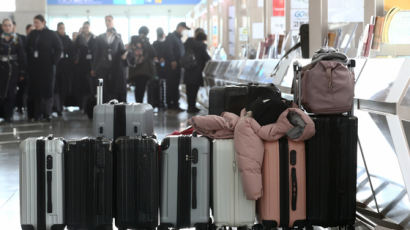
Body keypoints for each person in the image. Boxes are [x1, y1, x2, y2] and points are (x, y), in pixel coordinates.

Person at [26, 14, 63, 121]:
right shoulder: (32, 34)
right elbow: (27, 47)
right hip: (35, 67)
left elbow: (59, 48)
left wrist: (53, 61)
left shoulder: (51, 34)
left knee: (47, 90)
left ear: (43, 22)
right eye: (34, 22)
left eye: (37, 22)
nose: (35, 25)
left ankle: (47, 114)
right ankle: (36, 114)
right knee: (36, 90)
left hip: (48, 67)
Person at [91, 15, 126, 103]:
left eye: (109, 20)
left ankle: (114, 104)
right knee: (104, 87)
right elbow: (97, 53)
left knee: (114, 86)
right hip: (103, 65)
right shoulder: (100, 37)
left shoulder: (118, 36)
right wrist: (94, 68)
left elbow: (122, 50)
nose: (108, 22)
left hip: (115, 66)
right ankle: (104, 105)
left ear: (113, 22)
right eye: (106, 20)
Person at [0, 18, 26, 122]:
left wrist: (22, 71)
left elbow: (22, 56)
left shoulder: (17, 39)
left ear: (12, 26)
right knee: (1, 92)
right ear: (2, 27)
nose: (7, 27)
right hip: (1, 70)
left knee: (11, 93)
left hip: (13, 70)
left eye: (9, 25)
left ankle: (8, 116)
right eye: (5, 25)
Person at [164, 22, 190, 111]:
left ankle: (175, 103)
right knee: (171, 84)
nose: (185, 31)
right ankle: (171, 104)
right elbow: (169, 49)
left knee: (175, 85)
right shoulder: (171, 37)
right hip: (173, 66)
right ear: (179, 28)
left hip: (178, 65)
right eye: (184, 29)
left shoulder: (178, 38)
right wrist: (172, 60)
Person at [183, 28, 210, 113]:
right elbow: (207, 58)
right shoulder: (202, 46)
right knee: (194, 90)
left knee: (189, 90)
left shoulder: (188, 43)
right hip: (196, 71)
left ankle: (190, 107)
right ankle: (192, 107)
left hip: (188, 69)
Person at [128, 26, 156, 103]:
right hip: (144, 70)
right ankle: (140, 104)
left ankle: (138, 104)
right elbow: (153, 53)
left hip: (134, 70)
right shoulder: (145, 42)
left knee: (138, 89)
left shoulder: (133, 41)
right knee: (141, 89)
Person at [54, 22, 75, 116]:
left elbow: (72, 51)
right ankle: (57, 107)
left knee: (63, 88)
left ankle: (60, 106)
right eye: (61, 28)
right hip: (56, 66)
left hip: (65, 67)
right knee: (56, 88)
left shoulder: (67, 39)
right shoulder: (54, 37)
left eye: (63, 28)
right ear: (58, 29)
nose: (62, 30)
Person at [74, 21, 96, 110]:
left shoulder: (94, 38)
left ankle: (90, 106)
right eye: (84, 27)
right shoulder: (79, 38)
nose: (85, 29)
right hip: (81, 66)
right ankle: (81, 106)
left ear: (89, 28)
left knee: (91, 88)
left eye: (87, 27)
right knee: (81, 87)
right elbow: (75, 49)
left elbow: (96, 52)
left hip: (91, 66)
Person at [12, 20, 28, 114]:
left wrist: (23, 70)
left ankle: (20, 106)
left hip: (19, 67)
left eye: (12, 26)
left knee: (21, 89)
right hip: (9, 69)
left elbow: (23, 54)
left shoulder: (21, 38)